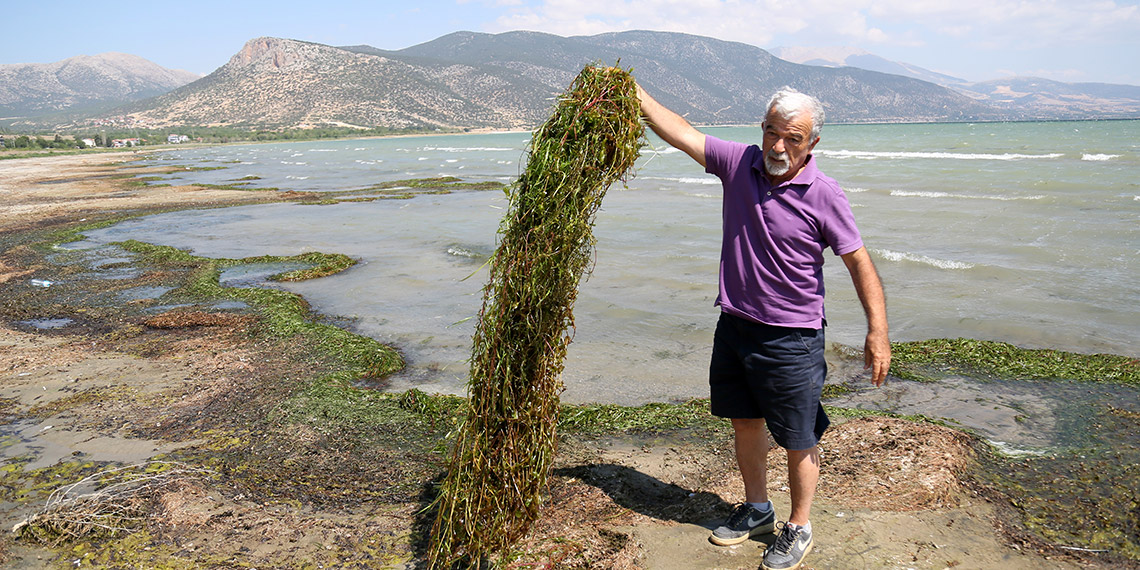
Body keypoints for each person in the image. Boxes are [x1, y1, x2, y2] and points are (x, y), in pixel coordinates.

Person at [636, 83, 891, 570]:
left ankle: (799, 525)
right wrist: (634, 94)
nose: (777, 146)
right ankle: (757, 508)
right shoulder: (739, 164)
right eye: (771, 132)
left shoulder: (824, 193)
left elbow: (858, 261)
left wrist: (876, 332)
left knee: (797, 436)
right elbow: (683, 134)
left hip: (792, 336)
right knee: (745, 423)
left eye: (792, 138)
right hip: (734, 325)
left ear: (812, 143)